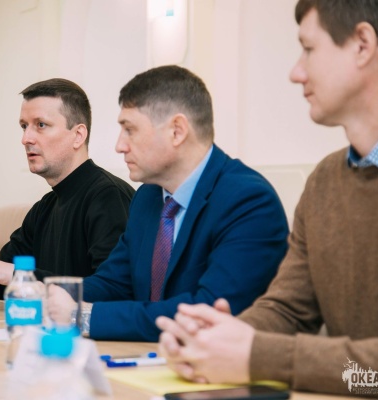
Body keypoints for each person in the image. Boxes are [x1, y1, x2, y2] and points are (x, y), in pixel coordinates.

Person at [156, 0, 378, 397]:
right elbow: (288, 309)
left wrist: (260, 356)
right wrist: (215, 339)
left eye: (308, 49)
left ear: (362, 44)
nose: (295, 72)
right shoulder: (325, 182)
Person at [47, 65, 289, 342]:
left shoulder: (248, 201)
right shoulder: (147, 196)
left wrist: (83, 317)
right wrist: (54, 296)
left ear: (177, 131)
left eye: (130, 130)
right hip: (150, 357)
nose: (119, 145)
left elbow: (207, 313)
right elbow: (115, 281)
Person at [0, 78, 135, 300]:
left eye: (41, 125)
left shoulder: (108, 196)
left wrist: (12, 273)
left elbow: (112, 291)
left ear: (78, 136)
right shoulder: (45, 206)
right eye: (24, 126)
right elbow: (1, 279)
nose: (26, 139)